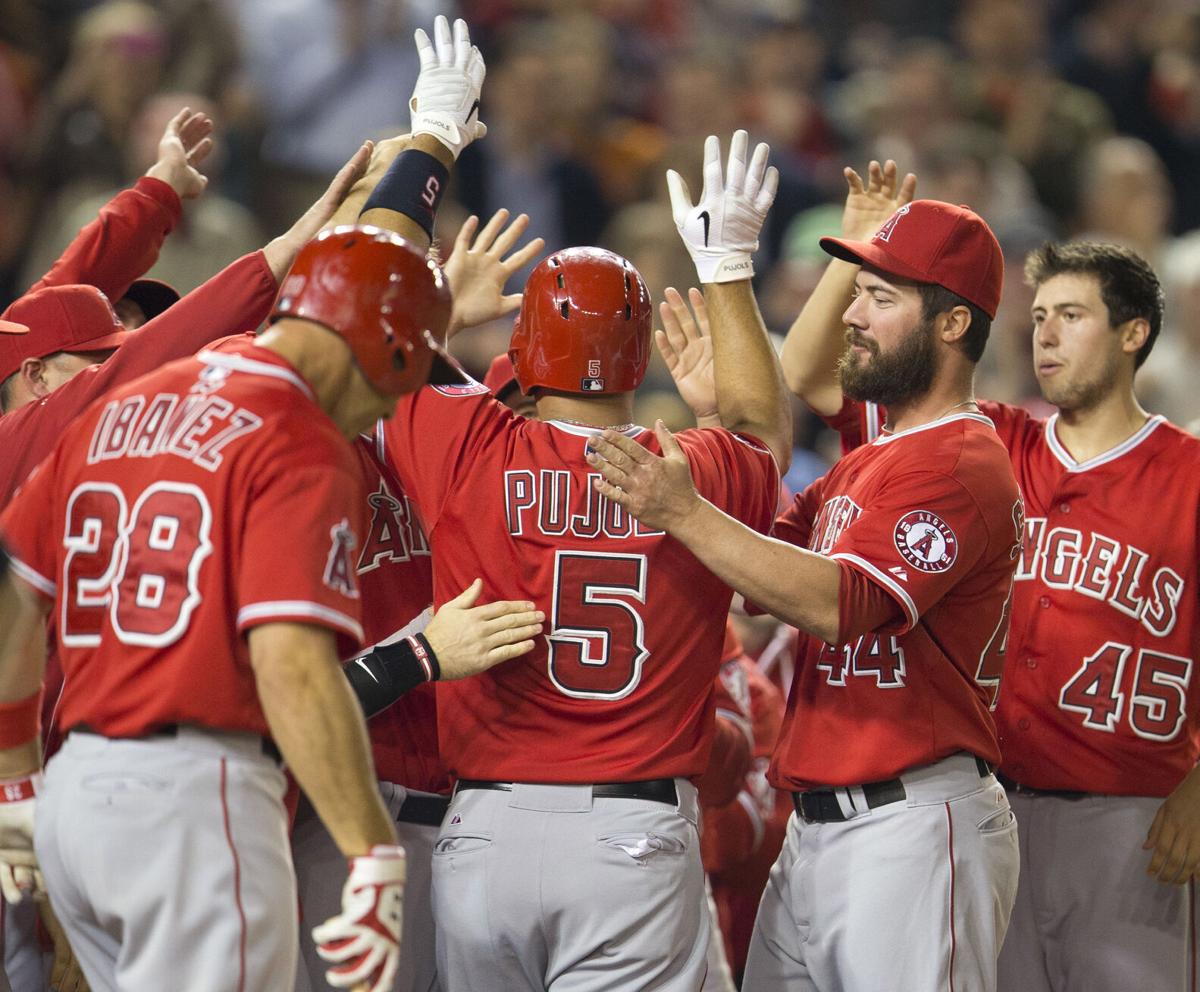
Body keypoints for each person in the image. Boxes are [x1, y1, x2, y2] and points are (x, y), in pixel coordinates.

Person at [0, 223, 543, 992]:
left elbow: (14, 598)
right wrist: (371, 847)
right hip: (198, 799)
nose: (387, 404)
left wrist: (15, 780)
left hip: (76, 799)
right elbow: (289, 668)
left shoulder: (124, 404)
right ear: (375, 348)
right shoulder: (298, 434)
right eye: (396, 378)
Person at [371, 129, 789, 990]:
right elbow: (760, 429)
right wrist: (727, 267)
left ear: (523, 348)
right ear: (641, 354)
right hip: (629, 839)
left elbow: (376, 328)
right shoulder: (690, 467)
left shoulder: (467, 442)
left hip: (482, 834)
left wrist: (445, 284)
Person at [588, 189, 1025, 991]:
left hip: (913, 825)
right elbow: (759, 574)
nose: (854, 314)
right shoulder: (874, 452)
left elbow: (838, 604)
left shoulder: (959, 463)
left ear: (953, 323)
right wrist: (726, 423)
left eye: (880, 297)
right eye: (858, 291)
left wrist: (681, 508)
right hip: (824, 823)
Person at [785, 161, 1200, 992]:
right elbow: (807, 375)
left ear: (1134, 334)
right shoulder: (981, 441)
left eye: (1072, 317)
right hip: (993, 799)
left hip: (1134, 820)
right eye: (1039, 316)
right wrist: (851, 265)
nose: (1044, 335)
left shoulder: (1190, 473)